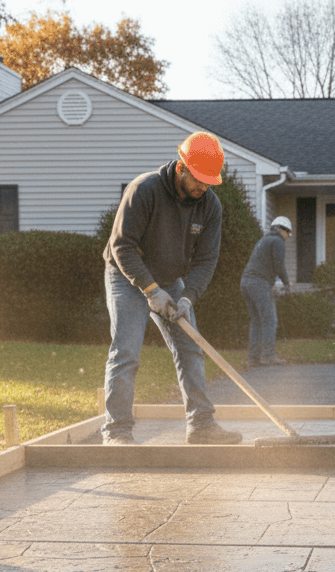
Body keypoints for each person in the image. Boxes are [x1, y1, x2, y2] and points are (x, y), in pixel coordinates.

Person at [101, 131, 241, 445]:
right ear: (181, 168)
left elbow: (206, 259)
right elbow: (121, 246)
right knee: (126, 352)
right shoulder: (145, 189)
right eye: (198, 179)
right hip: (127, 276)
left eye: (209, 181)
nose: (203, 187)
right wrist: (151, 290)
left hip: (171, 279)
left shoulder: (209, 206)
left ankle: (201, 426)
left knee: (191, 348)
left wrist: (188, 298)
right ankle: (117, 431)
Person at [240, 215, 292, 367]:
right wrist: (287, 284)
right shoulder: (278, 241)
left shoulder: (263, 240)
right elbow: (279, 265)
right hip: (258, 283)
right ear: (282, 229)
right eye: (288, 233)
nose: (288, 237)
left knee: (257, 321)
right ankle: (268, 356)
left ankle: (253, 359)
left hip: (246, 282)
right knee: (270, 320)